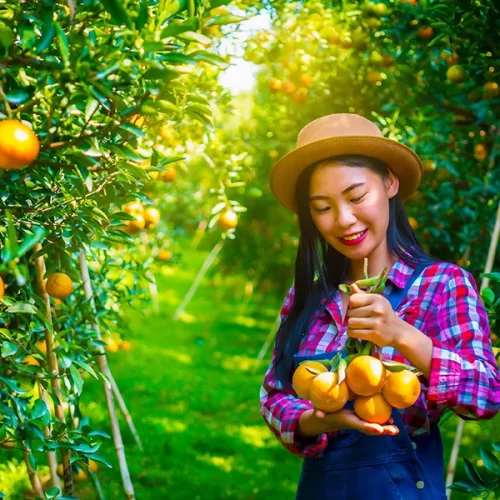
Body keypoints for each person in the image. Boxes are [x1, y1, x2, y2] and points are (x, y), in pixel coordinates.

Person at [259, 113, 500, 499]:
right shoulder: (310, 296)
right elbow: (274, 394)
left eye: (356, 197)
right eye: (322, 208)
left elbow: (486, 394)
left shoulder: (441, 285)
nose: (344, 220)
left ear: (390, 182)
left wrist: (402, 335)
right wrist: (317, 419)